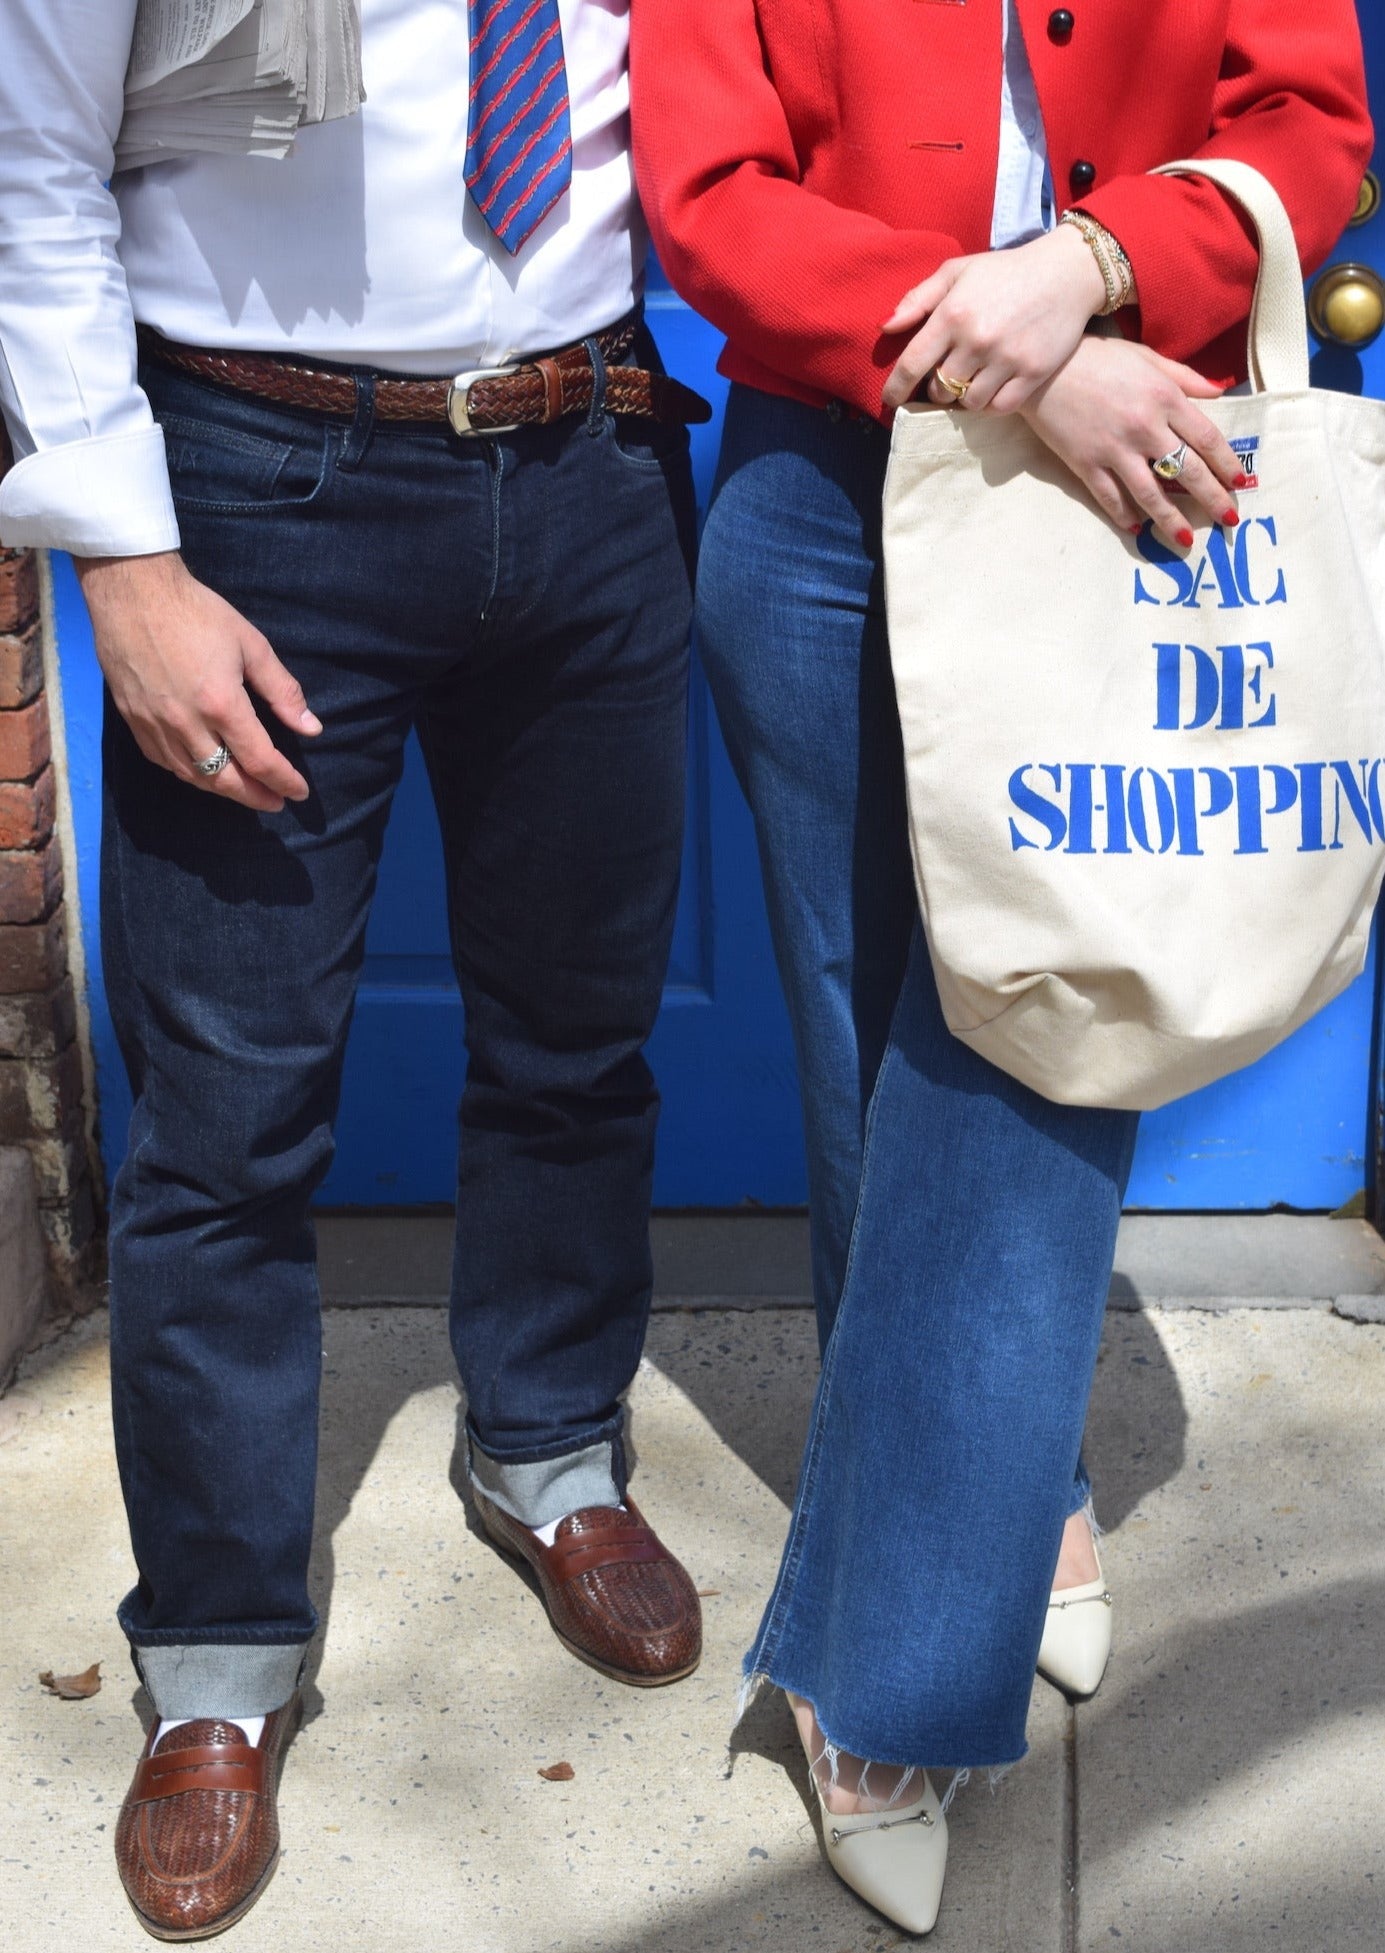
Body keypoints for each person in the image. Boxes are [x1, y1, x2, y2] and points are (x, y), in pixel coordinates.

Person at [633, 0, 1371, 1932]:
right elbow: (708, 194)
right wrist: (1004, 353)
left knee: (1037, 1041)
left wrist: (1094, 270)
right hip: (825, 487)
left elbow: (1306, 122)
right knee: (851, 1017)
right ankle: (1003, 1475)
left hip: (1143, 471)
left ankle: (876, 1670)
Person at [0, 2, 708, 1938]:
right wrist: (119, 562)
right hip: (259, 481)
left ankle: (547, 1437)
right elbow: (25, 152)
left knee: (579, 1038)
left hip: (591, 449)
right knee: (226, 1125)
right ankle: (220, 1649)